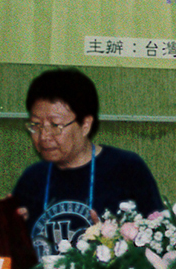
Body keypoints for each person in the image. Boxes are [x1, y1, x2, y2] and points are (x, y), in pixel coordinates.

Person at [9, 68, 163, 259]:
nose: (44, 136)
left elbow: (159, 240)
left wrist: (114, 242)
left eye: (55, 125)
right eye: (36, 125)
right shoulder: (32, 178)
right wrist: (8, 231)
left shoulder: (126, 168)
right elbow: (15, 258)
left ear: (85, 125)